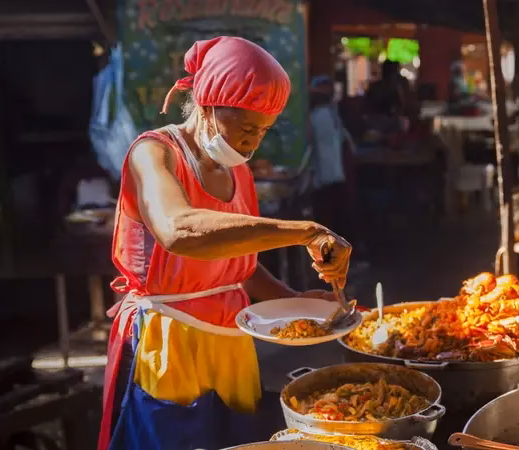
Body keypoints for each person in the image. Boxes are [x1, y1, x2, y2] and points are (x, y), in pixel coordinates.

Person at [98, 37, 352, 450]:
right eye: (247, 127)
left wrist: (292, 303)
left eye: (263, 131)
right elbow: (179, 231)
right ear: (209, 105)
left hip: (230, 344)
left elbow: (240, 266)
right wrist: (304, 230)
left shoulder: (240, 174)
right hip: (167, 344)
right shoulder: (154, 153)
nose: (253, 143)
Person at [307, 75, 368, 270]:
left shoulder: (328, 114)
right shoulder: (320, 117)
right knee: (334, 223)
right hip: (328, 178)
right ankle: (335, 265)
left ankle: (343, 263)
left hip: (335, 177)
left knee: (340, 220)